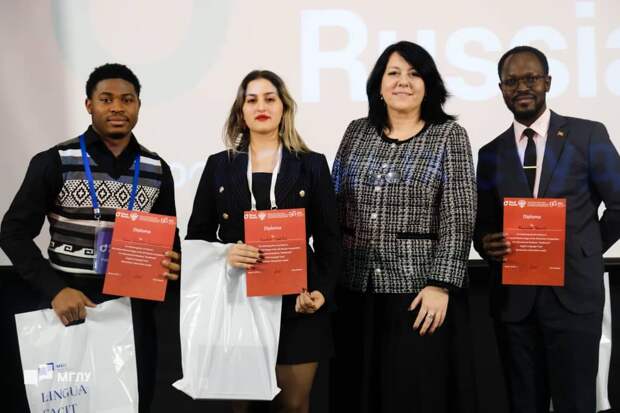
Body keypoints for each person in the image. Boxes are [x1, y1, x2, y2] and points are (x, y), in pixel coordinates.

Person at [0, 63, 181, 412]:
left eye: (127, 99)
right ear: (89, 105)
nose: (117, 107)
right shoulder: (55, 160)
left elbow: (169, 241)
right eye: (106, 99)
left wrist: (175, 264)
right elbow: (13, 233)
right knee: (68, 405)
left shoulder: (157, 169)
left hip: (132, 310)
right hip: (69, 303)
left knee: (132, 403)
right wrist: (55, 290)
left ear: (138, 106)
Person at [331, 41, 477, 413]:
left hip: (419, 295)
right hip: (355, 290)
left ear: (429, 85)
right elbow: (334, 202)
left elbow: (460, 215)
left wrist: (440, 284)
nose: (403, 82)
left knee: (412, 395)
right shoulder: (356, 132)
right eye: (393, 73)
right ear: (378, 85)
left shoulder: (449, 135)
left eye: (414, 74)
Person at [474, 45, 620, 413]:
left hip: (574, 296)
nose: (521, 87)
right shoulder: (490, 153)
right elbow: (483, 223)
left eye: (531, 79)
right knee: (524, 403)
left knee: (576, 402)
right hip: (514, 304)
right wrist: (486, 243)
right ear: (501, 89)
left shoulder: (587, 135)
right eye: (511, 81)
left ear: (547, 82)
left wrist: (584, 248)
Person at [186, 70, 340, 413]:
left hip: (299, 301)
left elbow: (330, 240)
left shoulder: (312, 165)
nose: (261, 106)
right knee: (242, 407)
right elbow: (197, 237)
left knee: (294, 405)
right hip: (239, 300)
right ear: (240, 111)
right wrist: (226, 253)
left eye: (270, 98)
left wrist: (322, 292)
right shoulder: (218, 166)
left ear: (284, 107)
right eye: (251, 100)